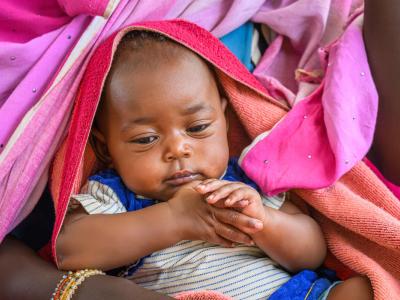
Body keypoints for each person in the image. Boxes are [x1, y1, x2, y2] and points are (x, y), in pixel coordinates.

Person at [54, 28, 372, 300]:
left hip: (290, 293)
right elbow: (69, 249)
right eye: (145, 139)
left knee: (358, 290)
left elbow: (311, 253)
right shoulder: (116, 195)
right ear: (105, 146)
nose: (178, 149)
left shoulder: (246, 179)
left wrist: (262, 221)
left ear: (224, 118)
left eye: (197, 128)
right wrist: (174, 219)